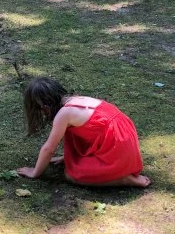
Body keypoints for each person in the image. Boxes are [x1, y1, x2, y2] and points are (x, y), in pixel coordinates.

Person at [18, 77, 150, 188]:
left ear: (44, 107)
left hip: (117, 149)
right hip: (123, 140)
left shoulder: (63, 114)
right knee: (72, 138)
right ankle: (112, 170)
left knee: (72, 175)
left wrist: (35, 172)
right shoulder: (76, 100)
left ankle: (124, 179)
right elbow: (92, 131)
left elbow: (49, 149)